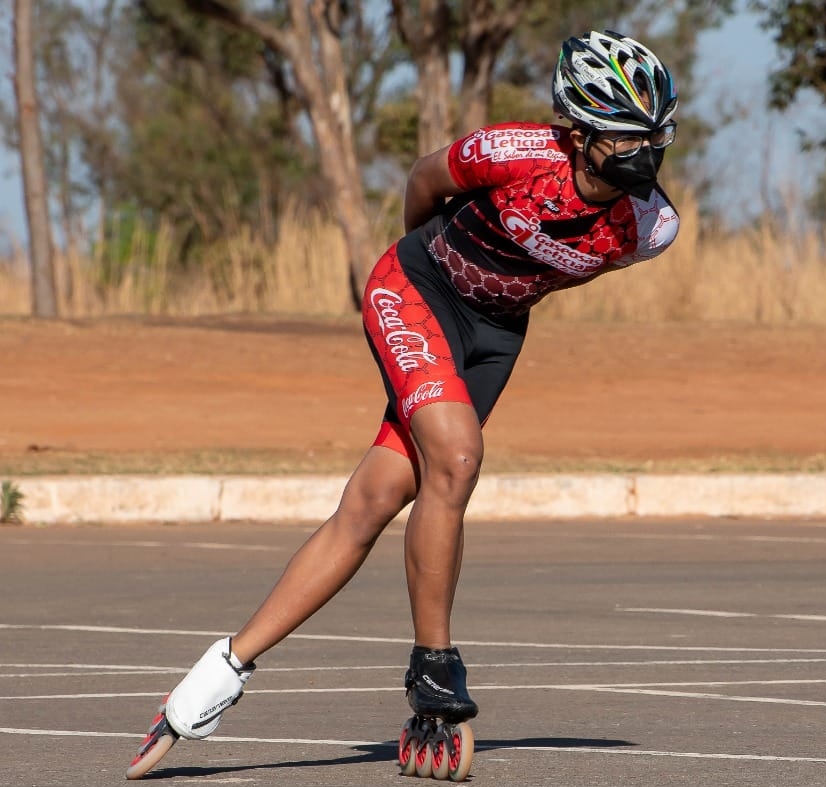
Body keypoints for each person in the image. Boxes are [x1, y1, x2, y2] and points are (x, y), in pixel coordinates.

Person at [126, 29, 680, 782]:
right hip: (417, 288)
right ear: (577, 133)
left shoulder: (650, 227)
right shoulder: (512, 152)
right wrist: (428, 254)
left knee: (378, 496)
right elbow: (425, 184)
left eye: (658, 136)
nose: (645, 154)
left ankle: (219, 671)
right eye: (627, 139)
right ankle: (434, 669)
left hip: (496, 335)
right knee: (455, 458)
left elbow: (559, 267)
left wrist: (500, 294)